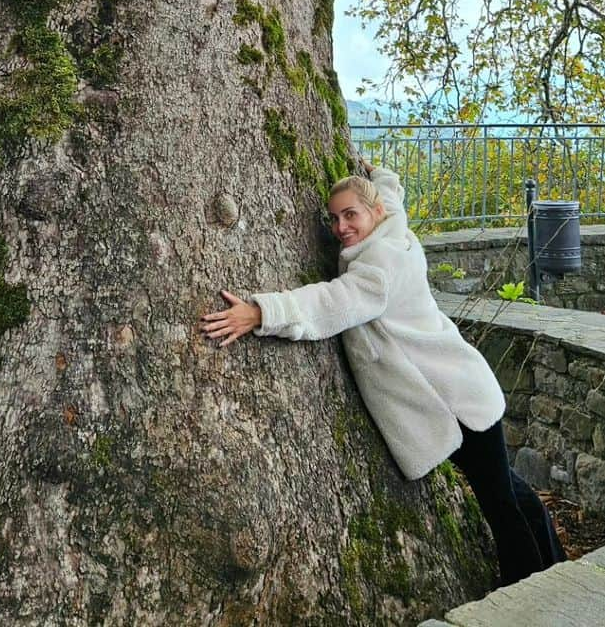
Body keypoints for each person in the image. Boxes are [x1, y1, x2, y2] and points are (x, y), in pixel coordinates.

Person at [199, 162, 564, 587]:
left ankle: (529, 591)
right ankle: (555, 567)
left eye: (350, 214)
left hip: (456, 401)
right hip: (458, 390)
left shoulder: (380, 265)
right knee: (512, 492)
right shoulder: (393, 229)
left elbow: (333, 302)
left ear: (373, 212)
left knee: (500, 504)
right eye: (334, 218)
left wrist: (262, 312)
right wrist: (383, 175)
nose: (340, 227)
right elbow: (391, 196)